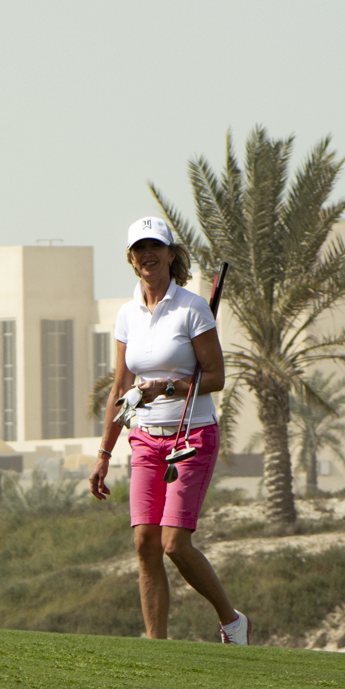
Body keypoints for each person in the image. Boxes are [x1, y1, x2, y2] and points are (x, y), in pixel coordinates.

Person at [88, 216, 249, 644]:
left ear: (171, 254)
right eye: (139, 249)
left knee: (174, 544)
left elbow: (215, 376)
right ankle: (156, 644)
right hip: (145, 438)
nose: (147, 255)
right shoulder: (127, 315)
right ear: (131, 258)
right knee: (145, 541)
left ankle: (231, 620)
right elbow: (121, 388)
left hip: (191, 437)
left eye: (155, 247)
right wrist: (104, 453)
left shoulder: (192, 307)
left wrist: (170, 387)